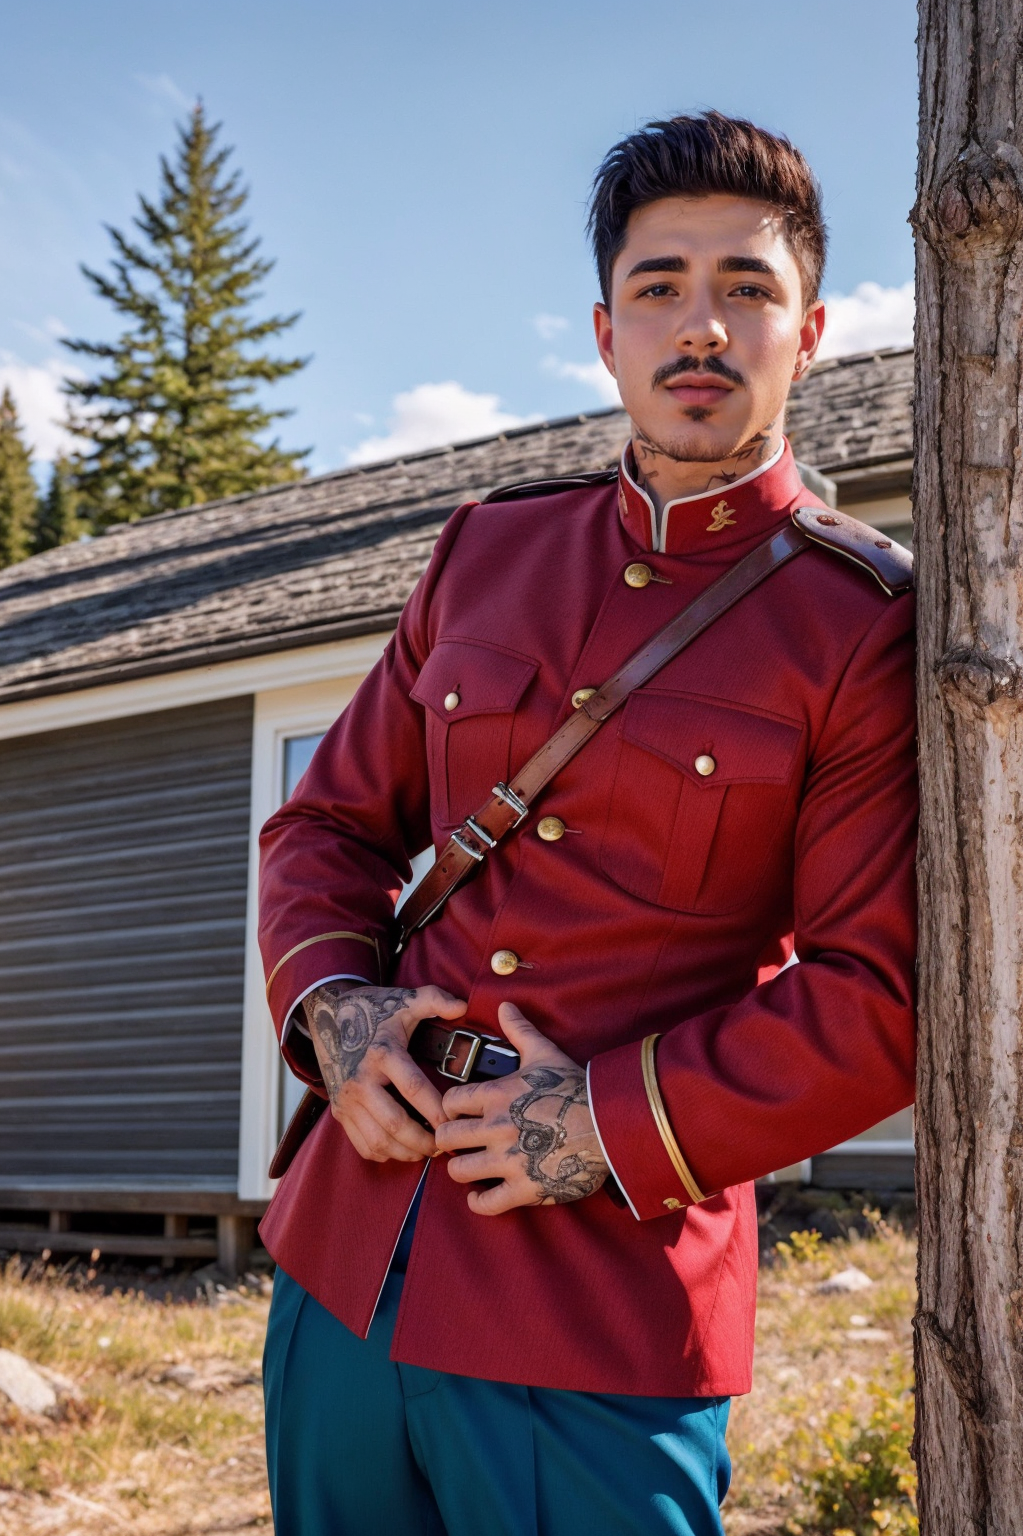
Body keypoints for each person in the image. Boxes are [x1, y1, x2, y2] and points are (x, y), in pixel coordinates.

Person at [257, 109, 916, 1536]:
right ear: (605, 331)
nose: (703, 327)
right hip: (347, 1255)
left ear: (810, 337)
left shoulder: (863, 626)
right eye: (661, 288)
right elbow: (323, 830)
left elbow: (880, 1000)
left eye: (748, 289)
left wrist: (604, 1128)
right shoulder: (487, 553)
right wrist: (335, 1014)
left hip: (601, 1304)